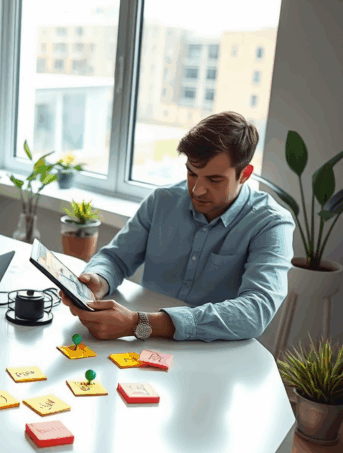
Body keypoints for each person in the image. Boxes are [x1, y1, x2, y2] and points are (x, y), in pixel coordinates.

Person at [60, 111, 295, 342]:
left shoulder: (271, 223)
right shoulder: (162, 200)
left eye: (214, 179)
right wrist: (99, 279)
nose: (197, 190)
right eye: (192, 174)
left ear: (244, 174)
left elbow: (256, 312)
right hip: (141, 344)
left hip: (215, 354)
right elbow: (116, 258)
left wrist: (139, 324)